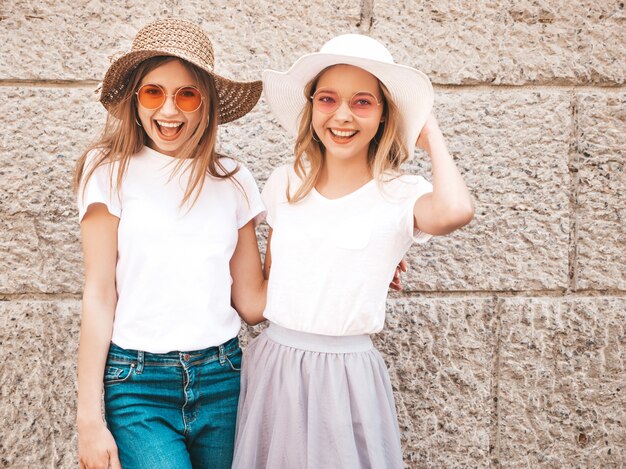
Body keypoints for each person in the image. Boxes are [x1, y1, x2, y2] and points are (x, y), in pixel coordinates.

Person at [233, 34, 474, 468]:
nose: (342, 115)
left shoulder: (401, 193)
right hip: (276, 364)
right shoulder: (284, 183)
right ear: (311, 108)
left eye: (363, 102)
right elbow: (267, 288)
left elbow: (455, 211)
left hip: (347, 372)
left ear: (384, 115)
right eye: (327, 99)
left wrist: (431, 131)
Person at [74, 19, 267, 469]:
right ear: (134, 99)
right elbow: (99, 293)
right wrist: (89, 419)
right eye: (153, 92)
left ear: (206, 104)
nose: (169, 111)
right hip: (138, 384)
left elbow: (253, 303)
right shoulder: (107, 171)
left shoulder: (233, 180)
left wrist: (346, 261)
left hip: (224, 378)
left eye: (187, 94)